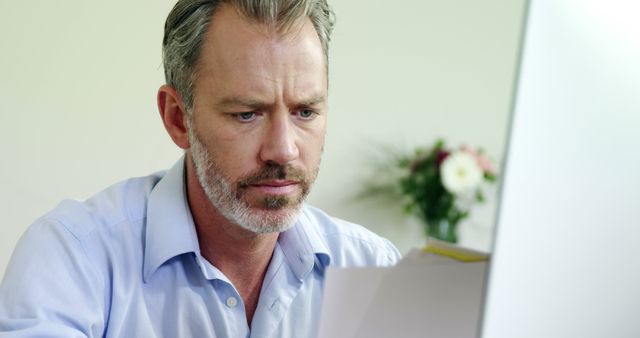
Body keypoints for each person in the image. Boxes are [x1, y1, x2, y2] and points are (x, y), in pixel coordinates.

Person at [0, 0, 400, 337]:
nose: (283, 150)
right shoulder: (73, 258)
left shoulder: (376, 270)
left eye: (306, 111)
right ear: (178, 118)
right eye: (247, 114)